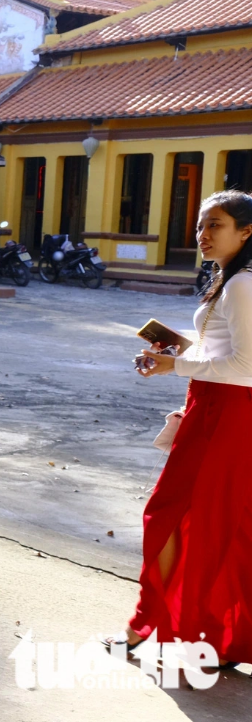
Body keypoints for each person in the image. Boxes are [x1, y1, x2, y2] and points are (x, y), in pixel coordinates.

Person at [127, 190, 252, 670]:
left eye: (215, 225)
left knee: (171, 516)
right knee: (224, 526)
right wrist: (177, 356)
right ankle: (213, 636)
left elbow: (244, 363)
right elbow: (219, 348)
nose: (203, 234)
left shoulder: (242, 284)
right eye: (201, 224)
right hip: (214, 407)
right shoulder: (231, 277)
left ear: (246, 232)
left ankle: (146, 626)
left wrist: (173, 367)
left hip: (228, 413)